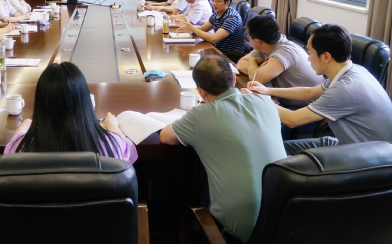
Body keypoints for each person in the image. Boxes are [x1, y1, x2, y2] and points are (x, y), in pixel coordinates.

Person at [160, 55, 286, 243]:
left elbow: (165, 137)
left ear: (200, 92)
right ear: (234, 79)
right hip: (285, 218)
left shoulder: (200, 115)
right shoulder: (266, 102)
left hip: (244, 231)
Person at [248, 24, 392, 154]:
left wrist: (258, 99)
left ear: (326, 57)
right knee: (281, 149)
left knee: (276, 154)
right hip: (349, 144)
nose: (308, 58)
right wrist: (267, 91)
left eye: (310, 53)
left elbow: (292, 120)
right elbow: (310, 92)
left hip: (367, 158)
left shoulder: (344, 90)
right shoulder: (353, 71)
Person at [5, 62, 137, 163]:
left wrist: (23, 127)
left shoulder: (21, 148)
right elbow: (129, 150)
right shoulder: (111, 145)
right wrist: (113, 126)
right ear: (85, 102)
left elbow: (9, 150)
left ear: (41, 105)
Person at [237, 15, 324, 109]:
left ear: (258, 42)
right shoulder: (268, 45)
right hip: (284, 98)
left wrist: (252, 61)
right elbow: (241, 63)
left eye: (249, 37)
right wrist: (256, 69)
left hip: (306, 107)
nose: (248, 39)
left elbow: (256, 78)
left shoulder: (283, 52)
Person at [176, 0, 245, 53]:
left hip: (229, 54)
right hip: (217, 50)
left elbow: (213, 39)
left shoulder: (232, 17)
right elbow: (203, 29)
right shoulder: (217, 14)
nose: (214, 4)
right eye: (213, 0)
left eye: (217, 1)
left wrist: (192, 28)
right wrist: (188, 27)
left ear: (227, 3)